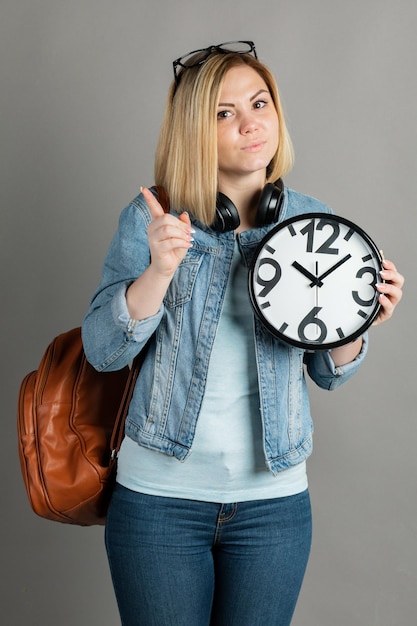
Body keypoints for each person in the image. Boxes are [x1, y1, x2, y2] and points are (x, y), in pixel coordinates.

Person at [82, 41, 404, 626]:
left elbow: (329, 371)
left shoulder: (314, 222)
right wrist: (158, 270)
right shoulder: (153, 217)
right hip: (159, 503)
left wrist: (357, 321)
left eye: (260, 103)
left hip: (273, 507)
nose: (250, 124)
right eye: (224, 113)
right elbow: (103, 352)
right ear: (194, 133)